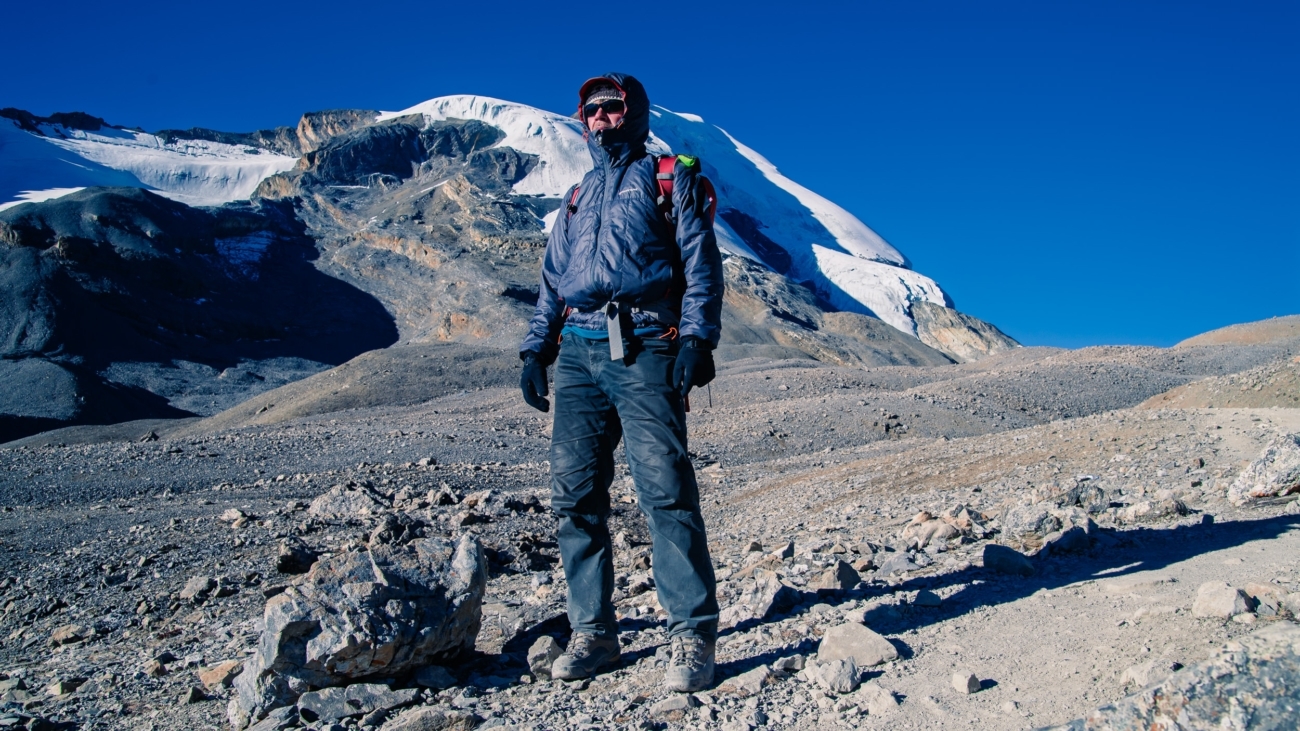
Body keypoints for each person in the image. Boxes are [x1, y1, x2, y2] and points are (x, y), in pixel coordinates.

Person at [518, 72, 724, 692]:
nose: (603, 119)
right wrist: (536, 349)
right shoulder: (577, 196)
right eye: (592, 111)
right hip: (579, 350)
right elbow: (554, 280)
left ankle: (692, 636)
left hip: (645, 346)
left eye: (614, 108)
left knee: (664, 491)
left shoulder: (670, 178)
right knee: (575, 497)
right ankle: (593, 632)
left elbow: (700, 262)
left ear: (634, 113)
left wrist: (697, 339)